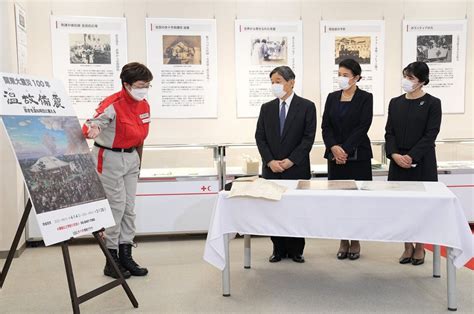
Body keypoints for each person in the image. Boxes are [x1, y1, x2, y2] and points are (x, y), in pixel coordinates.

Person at [82, 62, 153, 278]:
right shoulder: (113, 103)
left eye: (148, 85)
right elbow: (92, 124)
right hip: (109, 158)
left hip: (131, 158)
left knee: (129, 208)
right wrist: (92, 129)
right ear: (127, 84)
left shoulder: (144, 105)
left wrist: (138, 163)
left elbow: (141, 137)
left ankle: (126, 254)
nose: (145, 89)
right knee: (116, 208)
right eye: (141, 85)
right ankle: (110, 258)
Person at [255, 66, 317, 263]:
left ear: (291, 82)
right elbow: (260, 137)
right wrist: (270, 161)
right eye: (273, 81)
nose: (275, 85)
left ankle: (296, 250)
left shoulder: (307, 106)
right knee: (275, 211)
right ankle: (278, 249)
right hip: (272, 169)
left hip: (296, 167)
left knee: (296, 210)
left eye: (279, 81)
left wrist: (291, 160)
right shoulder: (267, 108)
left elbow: (308, 138)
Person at [384, 61, 442, 266]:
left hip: (422, 161)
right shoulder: (395, 102)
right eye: (405, 77)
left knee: (421, 207)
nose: (406, 81)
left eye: (411, 78)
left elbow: (430, 134)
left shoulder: (433, 103)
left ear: (422, 82)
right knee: (402, 207)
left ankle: (420, 247)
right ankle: (407, 246)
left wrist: (412, 157)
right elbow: (389, 132)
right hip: (398, 161)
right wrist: (394, 154)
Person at [321, 58, 373, 261]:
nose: (342, 78)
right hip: (335, 157)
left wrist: (346, 150)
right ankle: (343, 240)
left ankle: (356, 240)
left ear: (356, 77)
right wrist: (334, 148)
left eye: (346, 75)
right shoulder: (332, 97)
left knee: (357, 201)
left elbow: (363, 126)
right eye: (339, 74)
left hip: (358, 156)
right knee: (339, 201)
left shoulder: (366, 97)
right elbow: (326, 126)